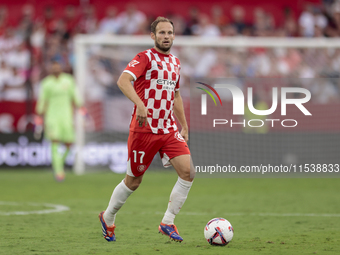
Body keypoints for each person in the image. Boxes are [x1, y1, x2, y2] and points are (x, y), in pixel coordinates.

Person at [99, 16, 194, 242]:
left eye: (169, 33)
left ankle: (167, 222)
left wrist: (184, 125)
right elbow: (123, 81)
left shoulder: (175, 63)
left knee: (188, 172)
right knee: (133, 181)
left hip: (168, 128)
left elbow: (176, 95)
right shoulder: (145, 57)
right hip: (144, 130)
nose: (166, 36)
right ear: (153, 36)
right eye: (161, 33)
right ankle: (108, 217)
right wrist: (140, 104)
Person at [36, 61, 82, 181]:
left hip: (66, 117)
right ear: (51, 69)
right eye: (53, 68)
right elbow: (43, 100)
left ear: (60, 68)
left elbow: (75, 97)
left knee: (69, 144)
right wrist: (39, 115)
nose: (56, 69)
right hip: (52, 117)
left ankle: (59, 163)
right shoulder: (46, 83)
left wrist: (81, 107)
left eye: (57, 67)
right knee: (55, 142)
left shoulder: (68, 80)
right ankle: (59, 172)